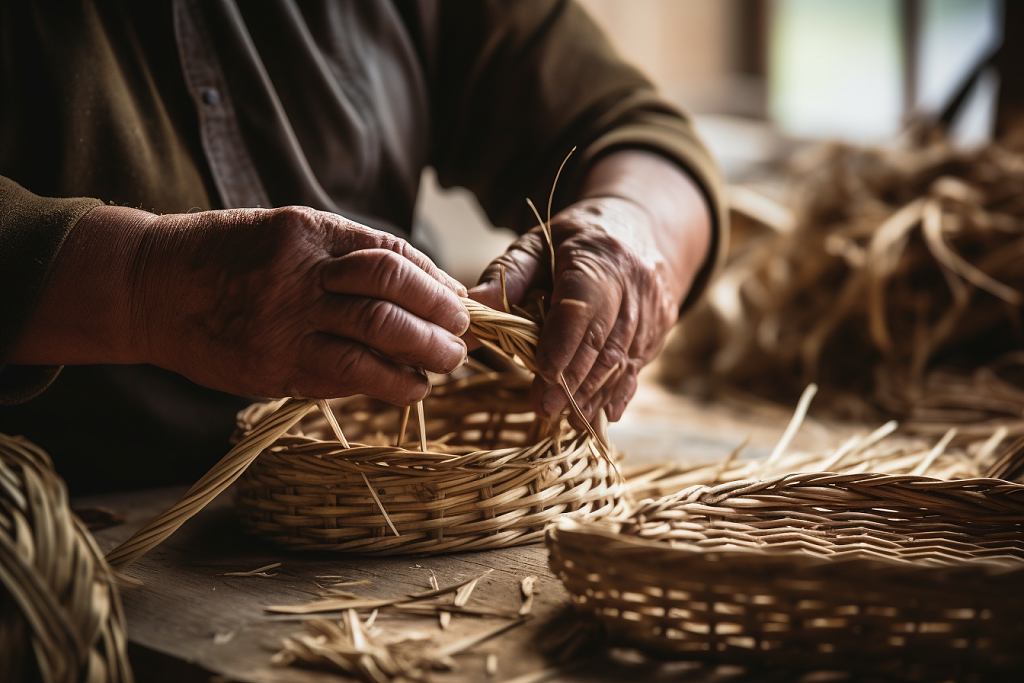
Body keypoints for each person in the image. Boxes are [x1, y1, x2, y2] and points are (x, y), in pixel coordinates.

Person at [0, 0, 724, 492]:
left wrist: (630, 229)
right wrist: (143, 285)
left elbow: (632, 130)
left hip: (403, 502)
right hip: (68, 539)